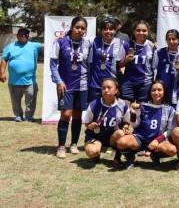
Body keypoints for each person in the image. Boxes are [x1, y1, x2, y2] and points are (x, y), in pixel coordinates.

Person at [50, 16, 92, 159]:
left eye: (83, 28)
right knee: (66, 114)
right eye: (77, 27)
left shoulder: (87, 44)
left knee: (77, 115)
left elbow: (90, 65)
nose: (80, 30)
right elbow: (52, 64)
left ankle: (73, 144)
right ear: (72, 27)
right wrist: (59, 81)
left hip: (83, 85)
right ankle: (61, 146)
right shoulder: (60, 42)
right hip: (65, 85)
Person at [115, 80, 177, 169]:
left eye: (159, 90)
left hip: (157, 141)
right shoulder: (143, 105)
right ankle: (130, 157)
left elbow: (170, 130)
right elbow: (135, 125)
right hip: (140, 138)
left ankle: (155, 156)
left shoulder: (170, 109)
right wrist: (133, 114)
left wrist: (157, 140)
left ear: (164, 92)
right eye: (153, 90)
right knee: (121, 142)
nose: (156, 92)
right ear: (150, 92)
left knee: (172, 150)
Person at [82, 78, 130, 164]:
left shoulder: (123, 105)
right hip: (96, 136)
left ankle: (117, 156)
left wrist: (126, 126)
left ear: (116, 90)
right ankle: (96, 154)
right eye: (103, 88)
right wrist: (90, 125)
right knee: (92, 151)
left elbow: (127, 121)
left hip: (112, 138)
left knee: (120, 133)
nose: (106, 90)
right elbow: (86, 123)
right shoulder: (94, 104)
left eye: (109, 87)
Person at [1, 27, 43, 122]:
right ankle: (18, 115)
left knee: (31, 100)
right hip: (14, 81)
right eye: (21, 34)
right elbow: (4, 59)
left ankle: (29, 116)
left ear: (28, 35)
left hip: (30, 81)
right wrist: (2, 72)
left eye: (26, 34)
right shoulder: (10, 47)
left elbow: (47, 45)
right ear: (17, 35)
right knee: (15, 101)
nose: (23, 35)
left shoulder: (34, 45)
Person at [88, 18, 125, 102]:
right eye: (105, 29)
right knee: (95, 112)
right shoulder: (93, 41)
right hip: (95, 85)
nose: (108, 31)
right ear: (101, 31)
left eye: (111, 29)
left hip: (111, 85)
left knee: (111, 111)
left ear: (115, 30)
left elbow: (121, 64)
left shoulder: (121, 43)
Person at [120, 20, 156, 103]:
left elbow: (154, 67)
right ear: (134, 31)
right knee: (125, 109)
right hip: (128, 82)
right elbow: (119, 64)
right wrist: (126, 60)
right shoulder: (126, 45)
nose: (141, 33)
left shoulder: (152, 46)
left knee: (141, 111)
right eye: (138, 30)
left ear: (148, 32)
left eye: (144, 31)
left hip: (145, 83)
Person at [153, 29, 179, 107]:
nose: (171, 41)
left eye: (173, 39)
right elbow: (153, 67)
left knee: (173, 111)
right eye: (169, 39)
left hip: (175, 88)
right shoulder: (159, 52)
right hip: (161, 88)